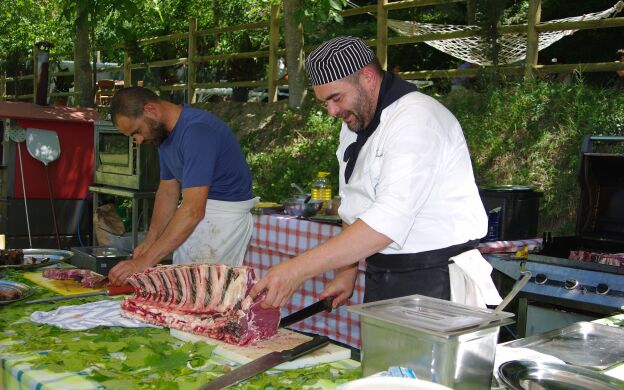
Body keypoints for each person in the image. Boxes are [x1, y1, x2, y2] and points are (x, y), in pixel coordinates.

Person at [249, 36, 488, 309]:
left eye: (336, 98)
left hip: (436, 279)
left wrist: (296, 270)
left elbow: (387, 221)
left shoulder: (417, 119)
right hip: (383, 273)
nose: (331, 111)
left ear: (368, 78)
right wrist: (346, 270)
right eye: (324, 102)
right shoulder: (354, 120)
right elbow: (355, 201)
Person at [108, 87, 257, 286]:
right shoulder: (163, 135)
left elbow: (194, 210)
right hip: (196, 219)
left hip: (223, 223)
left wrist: (146, 261)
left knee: (204, 296)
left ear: (151, 110)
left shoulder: (198, 131)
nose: (139, 140)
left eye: (137, 131)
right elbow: (168, 190)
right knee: (183, 292)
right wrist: (151, 241)